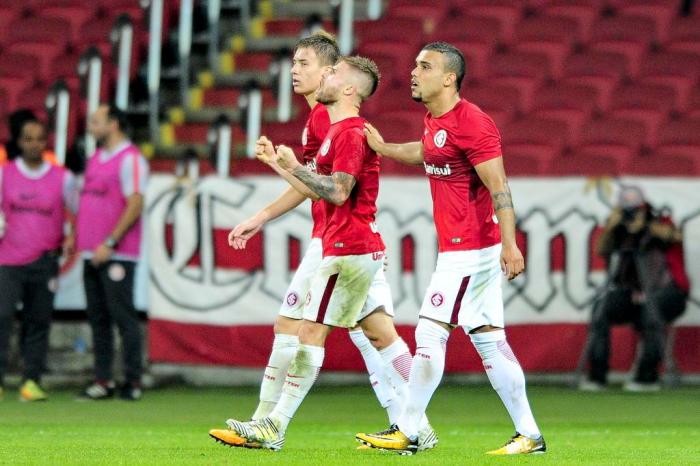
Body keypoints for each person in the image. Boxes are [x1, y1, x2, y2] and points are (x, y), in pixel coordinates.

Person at [209, 33, 435, 451]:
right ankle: (415, 425)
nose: (296, 71)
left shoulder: (342, 128)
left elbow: (335, 190)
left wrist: (290, 168)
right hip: (345, 242)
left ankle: (270, 424)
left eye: (307, 64)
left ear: (337, 79)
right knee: (378, 334)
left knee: (307, 330)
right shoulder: (328, 124)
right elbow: (316, 184)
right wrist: (279, 171)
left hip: (346, 244)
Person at [355, 42, 545, 455]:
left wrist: (510, 244)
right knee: (490, 340)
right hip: (464, 250)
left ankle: (408, 430)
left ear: (449, 78)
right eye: (415, 64)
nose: (413, 72)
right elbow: (427, 151)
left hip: (471, 249)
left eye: (424, 66)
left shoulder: (473, 122)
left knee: (429, 332)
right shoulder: (434, 120)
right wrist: (385, 149)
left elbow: (500, 186)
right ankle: (529, 434)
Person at [580, 186, 689, 392]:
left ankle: (647, 376)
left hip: (667, 292)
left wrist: (646, 225)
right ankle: (597, 375)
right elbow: (601, 249)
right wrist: (612, 227)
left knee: (651, 311)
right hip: (631, 293)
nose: (631, 215)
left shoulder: (659, 221)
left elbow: (675, 236)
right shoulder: (620, 230)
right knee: (600, 310)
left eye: (635, 210)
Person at [75, 104, 149, 401]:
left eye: (96, 121)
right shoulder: (94, 158)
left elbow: (135, 203)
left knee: (123, 317)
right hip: (89, 253)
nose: (91, 127)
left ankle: (132, 381)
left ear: (113, 124)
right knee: (98, 319)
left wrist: (110, 242)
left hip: (117, 254)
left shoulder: (131, 159)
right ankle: (102, 380)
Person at [0, 117, 77, 401]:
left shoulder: (63, 178)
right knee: (2, 317)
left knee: (38, 321)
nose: (34, 144)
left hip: (45, 261)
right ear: (19, 142)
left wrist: (72, 237)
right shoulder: (4, 174)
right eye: (28, 139)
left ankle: (31, 381)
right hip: (7, 260)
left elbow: (79, 212)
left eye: (39, 139)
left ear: (47, 142)